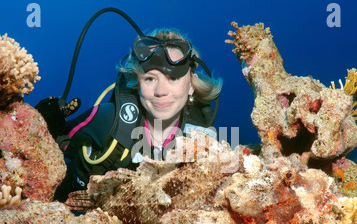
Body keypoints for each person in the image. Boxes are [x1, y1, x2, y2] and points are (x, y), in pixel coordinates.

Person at [36, 28, 222, 202]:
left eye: (173, 78)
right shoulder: (106, 119)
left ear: (191, 85)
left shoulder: (203, 142)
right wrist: (44, 121)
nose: (160, 91)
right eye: (150, 78)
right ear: (137, 83)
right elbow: (54, 146)